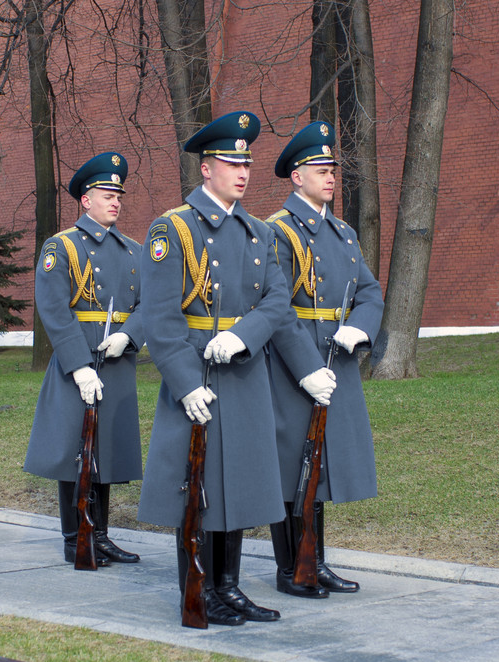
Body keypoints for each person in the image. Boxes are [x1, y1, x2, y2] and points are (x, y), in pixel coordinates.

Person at [138, 111, 335, 626]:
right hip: (197, 373)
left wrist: (244, 338)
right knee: (198, 488)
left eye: (246, 162)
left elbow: (276, 304)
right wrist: (183, 384)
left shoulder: (257, 231)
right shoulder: (172, 229)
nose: (242, 171)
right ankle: (199, 592)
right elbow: (160, 320)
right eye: (231, 162)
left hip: (243, 370)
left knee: (238, 485)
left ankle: (228, 586)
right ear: (207, 169)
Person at [266, 121, 384, 598]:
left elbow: (371, 291)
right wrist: (306, 367)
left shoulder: (342, 232)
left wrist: (360, 326)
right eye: (319, 168)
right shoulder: (277, 232)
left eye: (332, 167)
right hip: (296, 361)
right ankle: (290, 567)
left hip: (337, 354)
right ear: (297, 176)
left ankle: (315, 561)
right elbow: (275, 308)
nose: (330, 174)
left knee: (321, 467)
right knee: (294, 464)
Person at [24, 152, 144, 567]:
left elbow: (152, 304)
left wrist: (129, 334)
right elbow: (55, 311)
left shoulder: (134, 251)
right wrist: (78, 367)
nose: (115, 202)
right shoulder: (63, 246)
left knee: (104, 451)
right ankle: (76, 537)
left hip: (116, 359)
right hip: (79, 360)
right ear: (85, 200)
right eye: (107, 194)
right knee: (77, 452)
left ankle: (102, 535)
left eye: (118, 195)